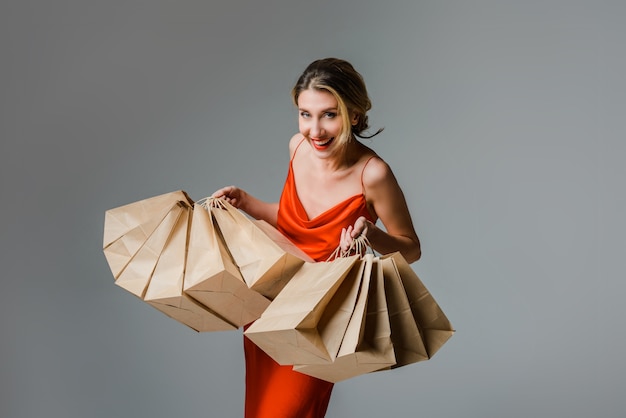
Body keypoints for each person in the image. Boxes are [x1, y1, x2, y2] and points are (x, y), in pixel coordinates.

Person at [212, 57, 421, 418]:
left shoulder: (373, 174)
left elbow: (411, 248)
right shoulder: (297, 148)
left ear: (354, 114)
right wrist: (246, 202)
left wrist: (371, 233)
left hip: (318, 317)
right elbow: (293, 222)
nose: (315, 130)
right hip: (267, 304)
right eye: (305, 114)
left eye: (329, 114)